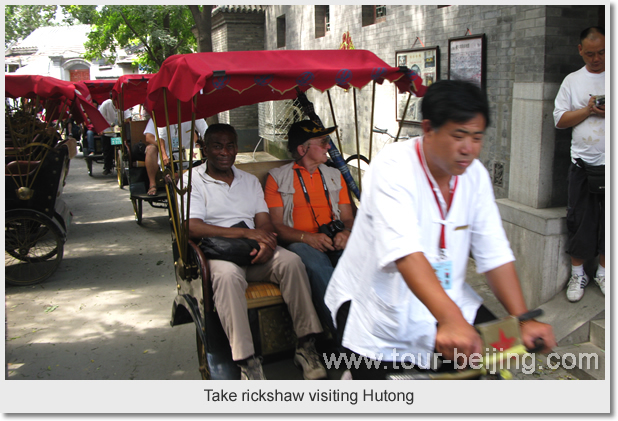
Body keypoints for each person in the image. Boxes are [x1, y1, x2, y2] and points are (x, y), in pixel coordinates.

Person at [324, 80, 556, 379]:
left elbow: (494, 252)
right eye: (458, 135)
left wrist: (522, 319)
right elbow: (405, 252)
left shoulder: (475, 177)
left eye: (476, 137)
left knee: (486, 372)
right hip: (376, 306)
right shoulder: (392, 168)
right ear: (428, 129)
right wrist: (449, 319)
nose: (468, 149)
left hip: (445, 295)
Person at [184, 123, 328, 380]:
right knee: (228, 277)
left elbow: (264, 222)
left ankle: (306, 345)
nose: (224, 152)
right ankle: (247, 360)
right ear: (204, 149)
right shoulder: (192, 180)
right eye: (217, 146)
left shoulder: (248, 181)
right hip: (218, 253)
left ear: (237, 149)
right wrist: (246, 233)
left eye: (230, 146)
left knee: (292, 261)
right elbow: (193, 228)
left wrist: (266, 243)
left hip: (254, 249)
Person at [264, 120, 354, 336]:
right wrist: (306, 238)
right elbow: (275, 225)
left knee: (354, 261)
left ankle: (365, 325)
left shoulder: (335, 175)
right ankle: (342, 333)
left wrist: (346, 232)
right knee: (317, 265)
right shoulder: (277, 178)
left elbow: (349, 217)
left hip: (333, 238)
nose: (328, 147)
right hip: (300, 243)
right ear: (302, 149)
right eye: (322, 142)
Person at [553, 26, 605, 302]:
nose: (596, 59)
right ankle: (578, 274)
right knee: (579, 220)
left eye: (602, 53)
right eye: (590, 54)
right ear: (580, 51)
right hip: (582, 163)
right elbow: (559, 120)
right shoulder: (572, 81)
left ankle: (604, 273)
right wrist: (587, 110)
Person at [98, 95, 118, 175]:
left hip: (118, 131)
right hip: (107, 131)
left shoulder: (122, 103)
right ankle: (107, 167)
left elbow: (127, 116)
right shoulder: (106, 104)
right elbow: (99, 116)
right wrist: (100, 129)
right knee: (107, 150)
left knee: (123, 147)